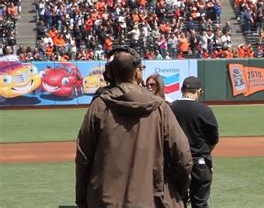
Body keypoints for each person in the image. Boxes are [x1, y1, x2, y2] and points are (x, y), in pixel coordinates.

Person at [75, 46, 193, 208]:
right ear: (137, 72)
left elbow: (83, 159)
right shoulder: (160, 108)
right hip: (151, 199)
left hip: (105, 199)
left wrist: (83, 198)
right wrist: (178, 190)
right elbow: (182, 156)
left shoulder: (99, 106)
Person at [170, 76, 219, 208]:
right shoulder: (205, 110)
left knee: (178, 202)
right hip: (200, 163)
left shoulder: (170, 108)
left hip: (176, 163)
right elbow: (214, 139)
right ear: (198, 91)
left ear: (181, 90)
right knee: (200, 203)